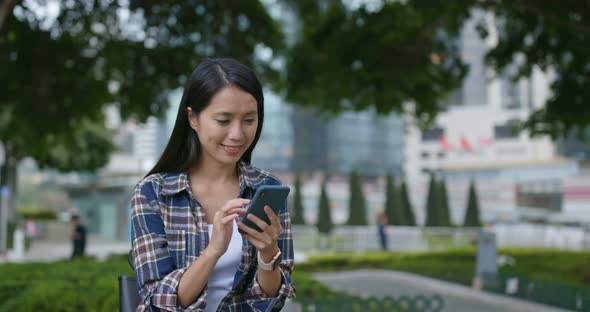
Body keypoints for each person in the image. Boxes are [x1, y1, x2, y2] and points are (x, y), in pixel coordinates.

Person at [130, 58, 295, 312]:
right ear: (192, 118)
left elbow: (272, 301)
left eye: (249, 120)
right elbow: (157, 301)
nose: (237, 134)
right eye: (223, 120)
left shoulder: (266, 189)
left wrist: (268, 256)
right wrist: (213, 250)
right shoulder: (153, 193)